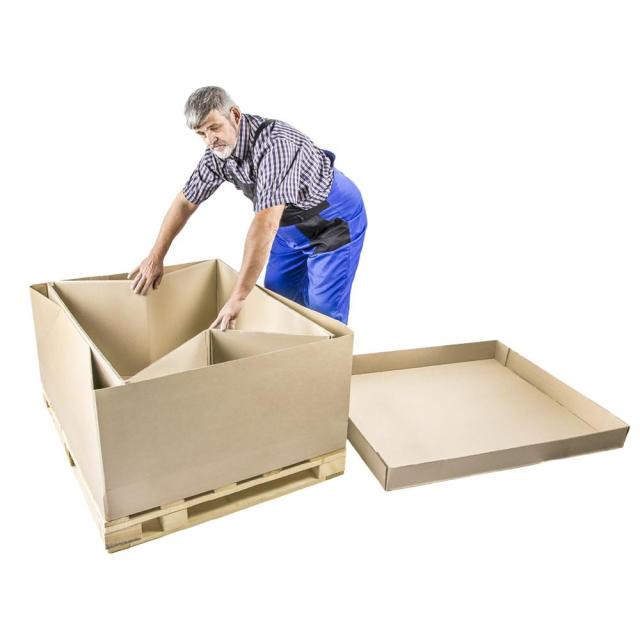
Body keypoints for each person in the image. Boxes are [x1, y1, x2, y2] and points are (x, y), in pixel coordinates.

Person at [128, 86, 367, 329]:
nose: (210, 140)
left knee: (323, 312)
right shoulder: (217, 155)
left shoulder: (276, 146)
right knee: (279, 297)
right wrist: (156, 257)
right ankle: (298, 351)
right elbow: (185, 202)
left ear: (235, 115)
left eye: (214, 127)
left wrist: (239, 297)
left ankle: (325, 349)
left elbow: (266, 223)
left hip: (334, 223)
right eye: (201, 133)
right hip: (289, 228)